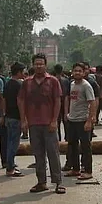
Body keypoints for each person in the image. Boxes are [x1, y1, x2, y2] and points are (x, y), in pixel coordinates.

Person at [18, 53, 65, 194]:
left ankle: (58, 182)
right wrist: (23, 120)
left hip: (49, 123)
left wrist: (54, 120)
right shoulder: (27, 82)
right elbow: (21, 101)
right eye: (36, 64)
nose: (39, 66)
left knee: (53, 153)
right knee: (38, 154)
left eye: (41, 63)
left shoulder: (53, 81)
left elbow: (58, 101)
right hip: (33, 124)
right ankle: (41, 182)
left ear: (45, 65)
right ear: (33, 65)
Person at [63, 63, 96, 180]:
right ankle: (75, 169)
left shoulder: (86, 86)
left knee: (85, 146)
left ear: (84, 72)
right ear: (72, 71)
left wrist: (89, 120)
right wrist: (67, 114)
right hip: (72, 119)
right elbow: (69, 100)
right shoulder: (72, 84)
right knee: (72, 145)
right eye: (75, 70)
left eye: (80, 71)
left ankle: (88, 171)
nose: (77, 73)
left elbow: (92, 102)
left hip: (83, 120)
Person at [2, 62, 25, 177]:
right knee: (14, 143)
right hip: (16, 117)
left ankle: (10, 163)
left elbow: (4, 100)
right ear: (19, 72)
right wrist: (23, 118)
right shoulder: (19, 85)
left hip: (9, 117)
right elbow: (20, 102)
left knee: (9, 141)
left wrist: (4, 115)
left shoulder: (7, 84)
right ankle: (10, 167)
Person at [54, 64, 70, 142]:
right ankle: (67, 138)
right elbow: (67, 95)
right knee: (66, 122)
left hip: (55, 104)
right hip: (64, 103)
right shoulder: (66, 80)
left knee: (57, 122)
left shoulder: (52, 80)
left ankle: (58, 139)